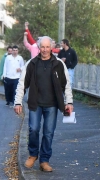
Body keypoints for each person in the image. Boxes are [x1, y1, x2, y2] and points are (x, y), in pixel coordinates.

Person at [14, 36, 73, 172]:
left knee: (48, 133)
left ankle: (44, 160)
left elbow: (67, 85)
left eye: (47, 47)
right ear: (38, 48)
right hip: (35, 103)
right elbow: (22, 84)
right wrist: (18, 102)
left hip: (52, 104)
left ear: (51, 47)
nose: (45, 50)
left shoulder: (59, 64)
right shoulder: (32, 64)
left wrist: (69, 102)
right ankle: (33, 154)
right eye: (42, 47)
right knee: (33, 129)